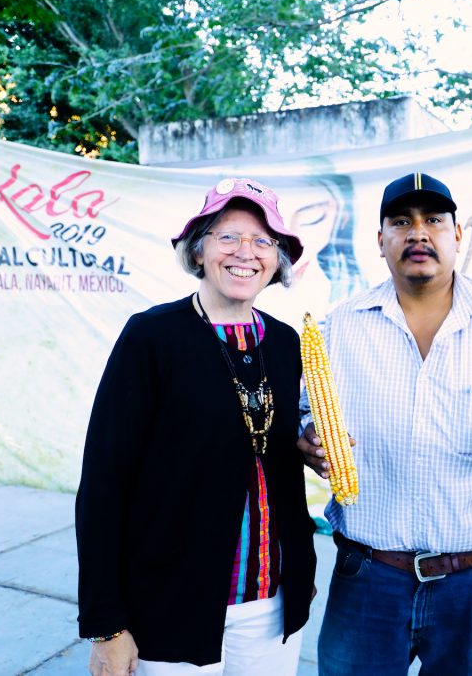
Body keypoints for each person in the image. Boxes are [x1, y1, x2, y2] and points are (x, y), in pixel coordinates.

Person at [297, 172, 472, 675]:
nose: (418, 233)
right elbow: (308, 412)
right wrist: (309, 439)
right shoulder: (339, 327)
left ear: (458, 236)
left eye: (434, 220)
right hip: (369, 572)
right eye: (401, 222)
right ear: (380, 240)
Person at [75, 178, 317, 676]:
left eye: (263, 241)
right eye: (228, 236)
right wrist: (106, 624)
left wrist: (309, 449)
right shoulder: (151, 337)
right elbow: (103, 483)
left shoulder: (287, 344)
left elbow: (268, 454)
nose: (245, 252)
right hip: (171, 600)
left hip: (271, 603)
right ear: (200, 249)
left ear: (277, 260)